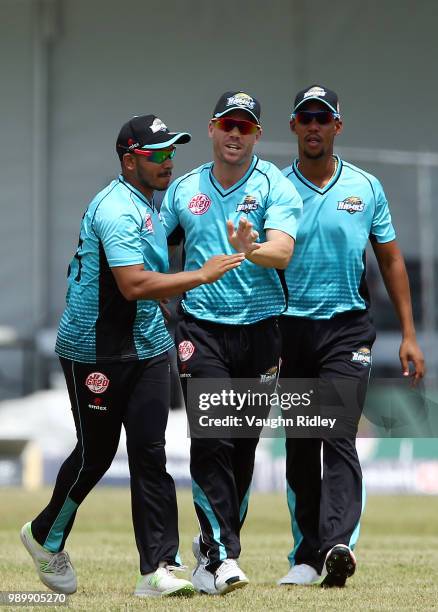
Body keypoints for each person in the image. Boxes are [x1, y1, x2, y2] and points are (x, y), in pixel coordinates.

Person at [20, 114, 245, 598]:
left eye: (171, 152)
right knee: (95, 456)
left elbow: (155, 262)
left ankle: (158, 568)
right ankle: (44, 535)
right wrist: (200, 276)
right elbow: (133, 284)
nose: (168, 162)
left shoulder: (149, 202)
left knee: (150, 455)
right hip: (94, 350)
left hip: (147, 344)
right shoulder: (115, 209)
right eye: (157, 154)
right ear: (128, 160)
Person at [278, 85, 425, 588]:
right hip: (289, 330)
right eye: (306, 118)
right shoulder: (275, 189)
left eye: (323, 118)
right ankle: (305, 555)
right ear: (293, 126)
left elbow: (390, 260)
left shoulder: (365, 188)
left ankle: (338, 544)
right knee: (300, 445)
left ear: (338, 126)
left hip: (347, 332)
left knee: (337, 434)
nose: (314, 126)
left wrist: (408, 333)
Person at [160, 91, 303, 594]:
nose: (235, 135)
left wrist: (253, 249)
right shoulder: (184, 190)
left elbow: (282, 252)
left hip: (261, 331)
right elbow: (157, 253)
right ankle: (223, 556)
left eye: (245, 127)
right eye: (227, 125)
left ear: (258, 135)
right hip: (201, 331)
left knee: (243, 448)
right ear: (212, 129)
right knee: (212, 437)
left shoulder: (275, 187)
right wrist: (164, 301)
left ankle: (210, 549)